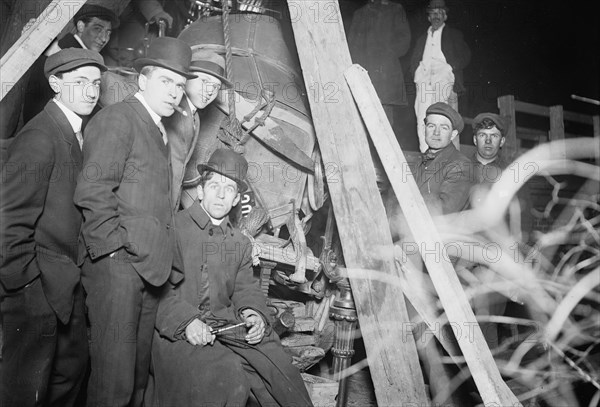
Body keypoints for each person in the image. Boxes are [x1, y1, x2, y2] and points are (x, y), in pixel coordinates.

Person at [73, 37, 194, 407]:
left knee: (136, 382)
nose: (174, 93)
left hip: (148, 272)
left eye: (180, 86)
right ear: (143, 80)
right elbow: (93, 192)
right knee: (114, 386)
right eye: (165, 82)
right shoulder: (118, 118)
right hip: (118, 271)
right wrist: (115, 259)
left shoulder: (158, 130)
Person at [145, 148, 313, 407]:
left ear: (236, 200)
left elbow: (246, 288)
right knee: (226, 375)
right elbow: (157, 289)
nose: (221, 194)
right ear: (200, 191)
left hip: (228, 327)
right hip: (178, 331)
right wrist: (187, 322)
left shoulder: (239, 243)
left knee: (280, 369)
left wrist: (254, 314)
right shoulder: (174, 228)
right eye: (214, 185)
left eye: (230, 188)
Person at [0, 48, 106, 407]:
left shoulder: (73, 132)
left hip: (65, 283)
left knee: (69, 373)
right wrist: (26, 288)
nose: (91, 92)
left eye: (96, 83)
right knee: (23, 389)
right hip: (37, 289)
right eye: (80, 83)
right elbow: (7, 222)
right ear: (55, 84)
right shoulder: (40, 137)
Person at [23, 4, 119, 123]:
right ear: (81, 26)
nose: (104, 38)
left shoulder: (66, 52)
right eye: (97, 29)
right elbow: (37, 109)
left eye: (108, 33)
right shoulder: (56, 55)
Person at [164, 49, 232, 211]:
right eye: (204, 81)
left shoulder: (194, 116)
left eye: (216, 87)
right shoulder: (172, 111)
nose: (210, 91)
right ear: (186, 78)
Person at [409, 0, 471, 152]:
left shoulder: (454, 34)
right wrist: (417, 72)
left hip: (443, 77)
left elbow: (466, 55)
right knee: (422, 117)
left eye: (440, 13)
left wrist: (450, 67)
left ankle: (445, 158)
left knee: (442, 116)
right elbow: (413, 60)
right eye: (433, 13)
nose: (436, 16)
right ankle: (426, 155)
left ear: (445, 16)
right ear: (428, 17)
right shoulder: (422, 38)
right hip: (424, 79)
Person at [347, 0, 411, 138]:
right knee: (361, 118)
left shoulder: (396, 10)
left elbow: (404, 39)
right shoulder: (359, 13)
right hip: (363, 75)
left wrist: (387, 53)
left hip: (385, 77)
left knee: (385, 120)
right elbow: (351, 45)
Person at [414, 102, 474, 216]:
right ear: (424, 129)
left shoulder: (461, 165)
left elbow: (445, 210)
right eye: (431, 126)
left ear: (453, 134)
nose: (436, 132)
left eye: (444, 128)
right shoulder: (417, 162)